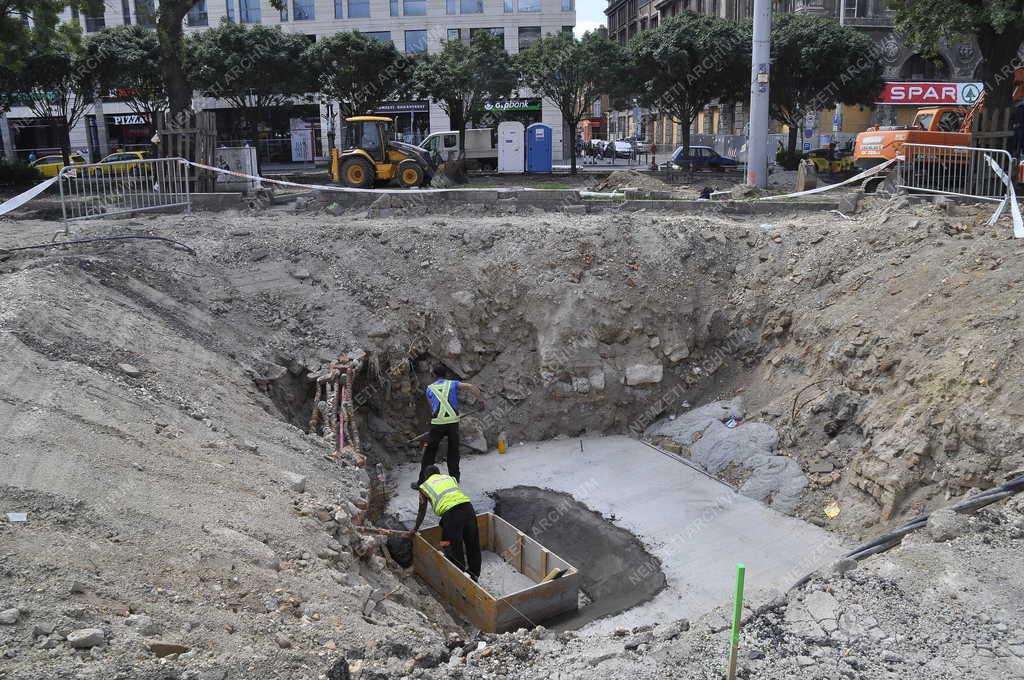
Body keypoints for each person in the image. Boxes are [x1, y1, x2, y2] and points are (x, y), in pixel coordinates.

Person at [409, 465, 482, 581]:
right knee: (473, 544)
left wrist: (415, 528)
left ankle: (461, 578)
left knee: (452, 546)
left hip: (451, 515)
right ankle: (474, 575)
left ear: (426, 477)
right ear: (438, 473)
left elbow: (421, 511)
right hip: (468, 509)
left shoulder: (424, 486)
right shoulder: (449, 478)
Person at [417, 365, 484, 485]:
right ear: (446, 375)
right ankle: (454, 480)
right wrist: (480, 401)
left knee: (430, 453)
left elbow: (432, 408)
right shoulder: (452, 384)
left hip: (437, 424)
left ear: (433, 375)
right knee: (453, 452)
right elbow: (471, 387)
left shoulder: (429, 389)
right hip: (453, 424)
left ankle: (422, 481)